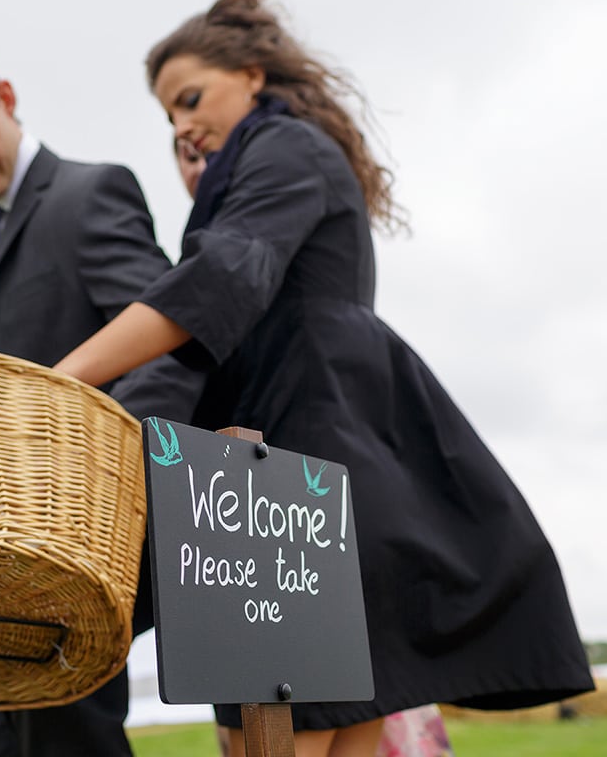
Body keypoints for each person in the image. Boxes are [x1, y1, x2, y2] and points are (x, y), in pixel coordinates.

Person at [54, 0, 594, 757]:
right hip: (261, 472)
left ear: (252, 72)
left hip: (315, 457)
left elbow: (219, 279)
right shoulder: (249, 169)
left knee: (298, 724)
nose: (181, 125)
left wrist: (62, 379)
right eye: (168, 117)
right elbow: (194, 346)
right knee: (260, 730)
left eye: (190, 98)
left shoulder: (288, 146)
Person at [0, 33, 204, 757]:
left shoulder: (91, 193)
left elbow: (169, 345)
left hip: (75, 559)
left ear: (4, 97)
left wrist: (118, 496)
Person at [173, 134, 452, 757]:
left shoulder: (264, 250)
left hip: (299, 503)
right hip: (261, 517)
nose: (198, 169)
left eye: (208, 153)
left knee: (319, 709)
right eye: (184, 158)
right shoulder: (223, 254)